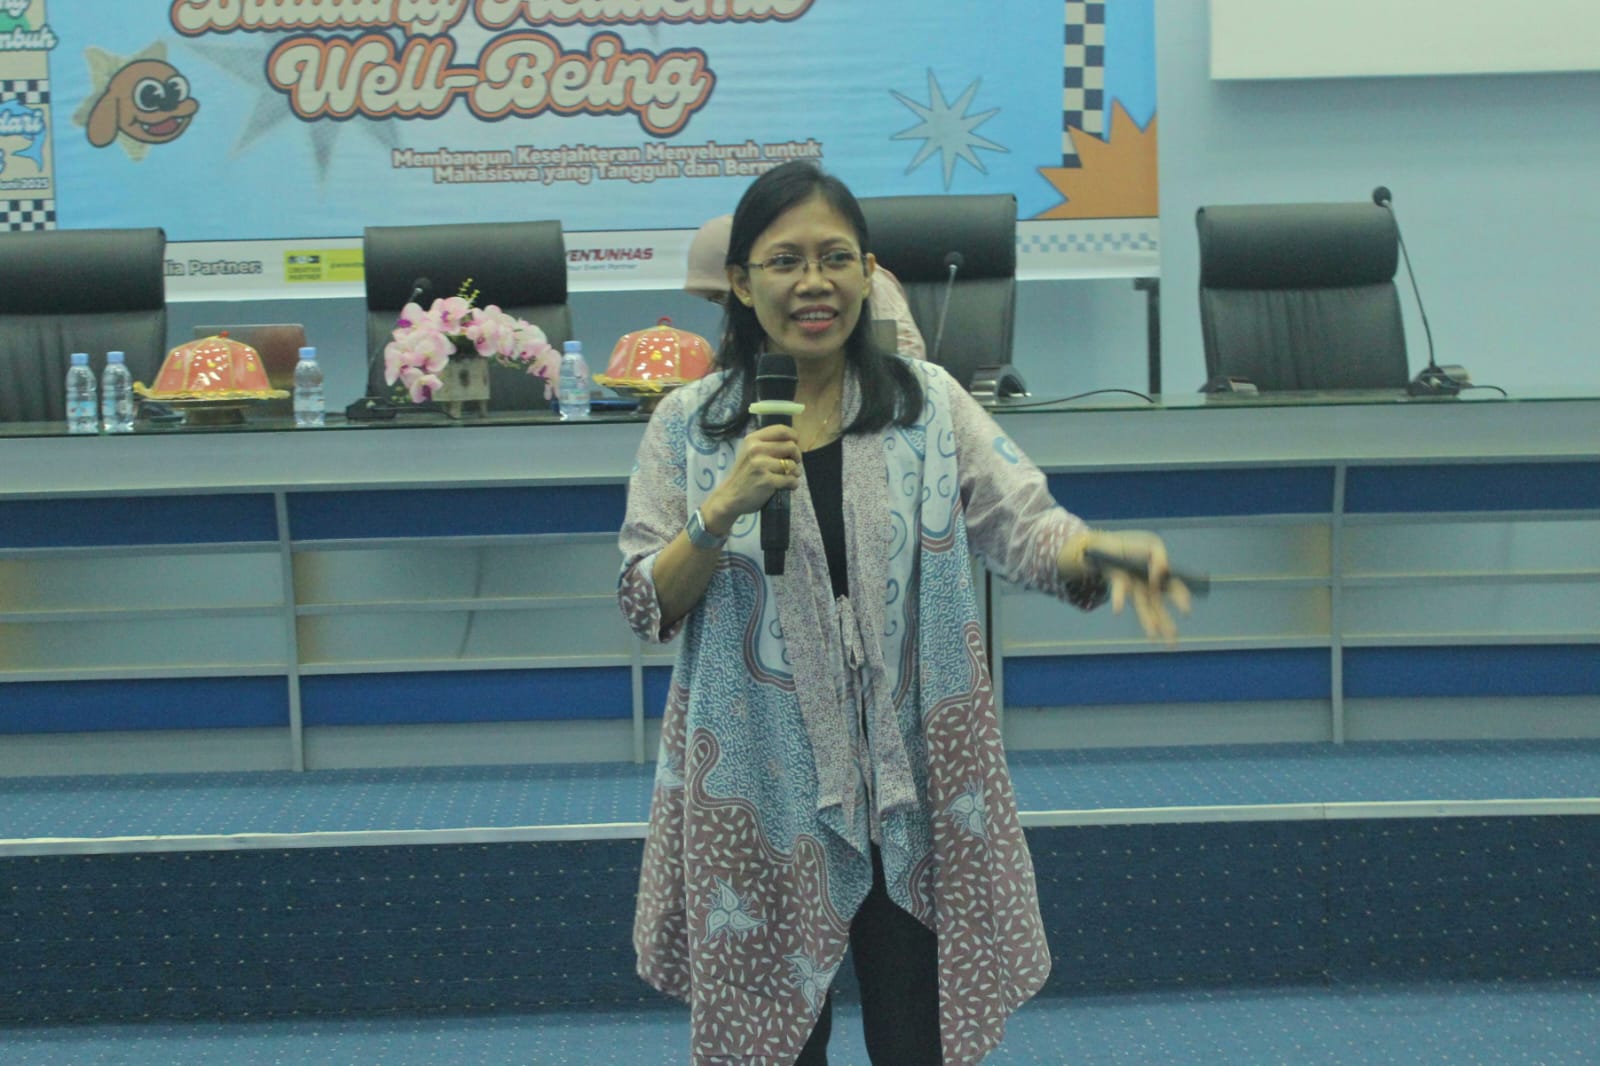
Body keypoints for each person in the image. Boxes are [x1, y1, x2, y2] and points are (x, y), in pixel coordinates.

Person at [619, 160, 1192, 1065]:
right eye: (785, 261)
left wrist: (1099, 553)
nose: (814, 282)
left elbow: (1021, 523)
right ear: (742, 283)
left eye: (835, 258)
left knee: (916, 1038)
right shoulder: (689, 426)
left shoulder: (927, 405)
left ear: (868, 272)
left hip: (909, 783)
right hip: (759, 783)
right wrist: (718, 511)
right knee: (773, 1048)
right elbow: (645, 597)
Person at [685, 211, 929, 361]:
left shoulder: (870, 283)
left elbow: (906, 360)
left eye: (723, 297)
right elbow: (732, 366)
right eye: (716, 299)